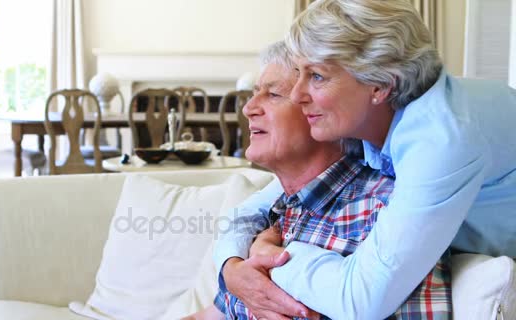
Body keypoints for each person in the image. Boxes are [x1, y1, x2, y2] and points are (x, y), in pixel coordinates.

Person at [214, 0, 516, 319]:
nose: (298, 94)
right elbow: (259, 206)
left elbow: (362, 301)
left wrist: (272, 258)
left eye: (316, 76)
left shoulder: (441, 140)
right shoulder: (372, 122)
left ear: (380, 85)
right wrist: (232, 267)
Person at [189, 41, 451, 320]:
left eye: (274, 94)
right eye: (255, 94)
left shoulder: (387, 213)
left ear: (322, 113)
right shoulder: (275, 214)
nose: (249, 108)